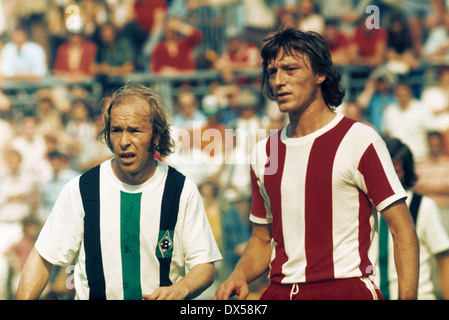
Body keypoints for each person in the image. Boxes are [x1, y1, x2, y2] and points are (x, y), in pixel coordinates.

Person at [214, 28, 419, 300]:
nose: (278, 81)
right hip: (279, 291)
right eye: (273, 72)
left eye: (290, 69)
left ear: (320, 74)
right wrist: (239, 275)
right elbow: (262, 239)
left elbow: (401, 229)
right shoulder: (264, 152)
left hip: (345, 289)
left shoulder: (360, 139)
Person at [16, 83, 222, 300]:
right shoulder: (82, 188)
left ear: (156, 136)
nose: (124, 141)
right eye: (116, 130)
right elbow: (43, 258)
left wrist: (181, 288)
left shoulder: (180, 190)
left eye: (134, 130)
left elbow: (204, 265)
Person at [376, 137, 449, 300]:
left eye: (395, 171)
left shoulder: (422, 206)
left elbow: (443, 258)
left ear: (406, 172)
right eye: (382, 169)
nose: (387, 176)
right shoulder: (367, 206)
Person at [382, 81, 438, 162]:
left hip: (421, 158)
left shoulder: (422, 109)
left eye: (404, 94)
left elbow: (433, 135)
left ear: (410, 93)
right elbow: (386, 135)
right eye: (399, 95)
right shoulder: (389, 111)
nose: (402, 97)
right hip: (399, 161)